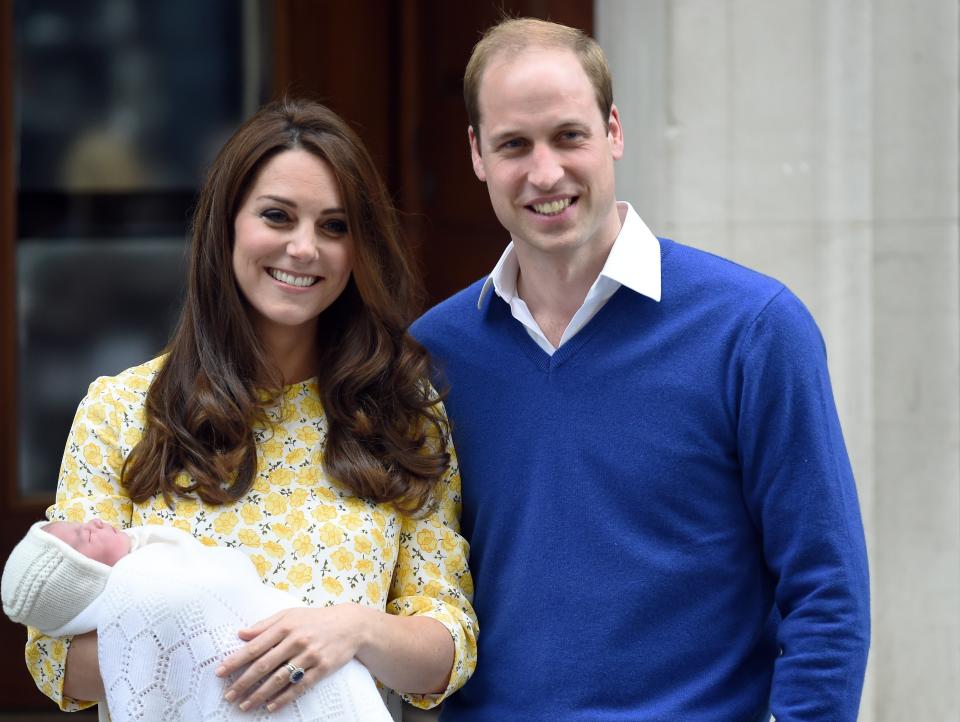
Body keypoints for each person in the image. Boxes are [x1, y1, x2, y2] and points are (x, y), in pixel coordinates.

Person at [411, 17, 870, 722]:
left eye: (569, 136)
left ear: (613, 131)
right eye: (513, 145)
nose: (545, 173)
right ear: (476, 154)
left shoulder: (753, 329)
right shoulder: (433, 356)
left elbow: (826, 589)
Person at [24, 98, 477, 722]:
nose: (303, 248)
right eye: (277, 216)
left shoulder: (402, 413)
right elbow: (58, 664)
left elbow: (446, 649)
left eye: (335, 226)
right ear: (227, 224)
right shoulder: (122, 410)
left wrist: (352, 631)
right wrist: (221, 633)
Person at [3, 518, 392, 721]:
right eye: (80, 539)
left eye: (76, 523)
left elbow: (231, 578)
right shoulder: (143, 582)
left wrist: (356, 626)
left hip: (328, 663)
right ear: (83, 580)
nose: (90, 523)